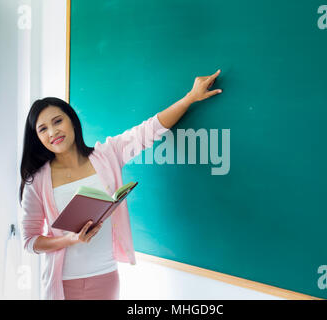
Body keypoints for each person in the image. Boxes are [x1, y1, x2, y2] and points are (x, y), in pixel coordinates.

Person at [19, 70, 222, 300]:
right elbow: (29, 241)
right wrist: (69, 239)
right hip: (63, 284)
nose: (53, 132)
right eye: (43, 128)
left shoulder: (107, 155)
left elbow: (148, 131)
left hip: (106, 277)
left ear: (72, 121)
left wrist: (190, 98)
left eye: (58, 121)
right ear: (37, 137)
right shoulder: (37, 182)